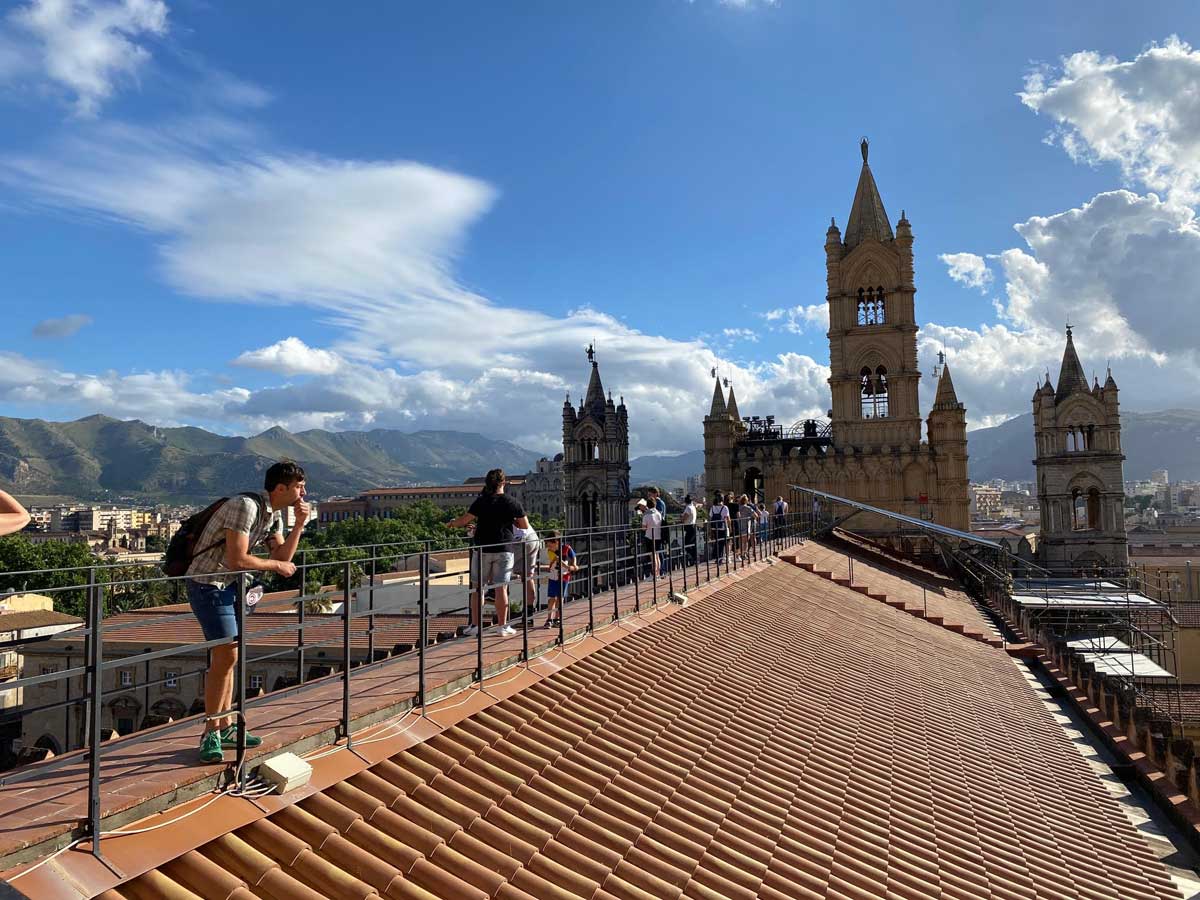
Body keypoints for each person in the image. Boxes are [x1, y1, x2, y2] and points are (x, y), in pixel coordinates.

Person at [185, 461, 309, 763]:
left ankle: (225, 725)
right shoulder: (246, 507)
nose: (303, 491)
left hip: (232, 587)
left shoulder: (273, 516)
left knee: (231, 656)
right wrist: (277, 565)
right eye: (299, 486)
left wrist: (299, 526)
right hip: (208, 583)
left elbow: (283, 557)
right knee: (225, 656)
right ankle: (210, 731)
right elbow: (237, 559)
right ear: (281, 488)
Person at [449, 469, 528, 639]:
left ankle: (476, 626)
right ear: (503, 483)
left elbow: (464, 520)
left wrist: (452, 524)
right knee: (501, 588)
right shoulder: (512, 502)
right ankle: (502, 626)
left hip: (482, 548)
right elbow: (524, 525)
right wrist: (509, 519)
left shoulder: (481, 501)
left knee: (478, 588)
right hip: (504, 549)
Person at [542, 531, 576, 628]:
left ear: (556, 542)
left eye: (550, 545)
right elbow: (558, 560)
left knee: (560, 598)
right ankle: (549, 618)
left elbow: (573, 556)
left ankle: (557, 618)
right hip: (553, 576)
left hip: (564, 576)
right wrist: (570, 567)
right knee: (552, 598)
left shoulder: (566, 548)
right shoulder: (550, 552)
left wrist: (574, 564)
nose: (549, 548)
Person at [512, 521, 540, 623]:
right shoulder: (514, 507)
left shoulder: (499, 507)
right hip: (532, 537)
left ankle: (493, 593)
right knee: (528, 576)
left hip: (520, 539)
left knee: (501, 566)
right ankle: (529, 613)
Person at [637, 499, 662, 580]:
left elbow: (643, 528)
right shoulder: (658, 513)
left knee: (652, 556)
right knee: (657, 555)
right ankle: (658, 573)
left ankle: (654, 575)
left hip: (650, 536)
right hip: (658, 536)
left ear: (647, 505)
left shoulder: (646, 515)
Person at [649, 487, 669, 573]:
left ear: (655, 494)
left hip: (658, 529)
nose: (649, 496)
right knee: (657, 551)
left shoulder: (659, 503)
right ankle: (660, 570)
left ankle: (662, 570)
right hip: (657, 528)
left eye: (650, 494)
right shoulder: (659, 502)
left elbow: (659, 515)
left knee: (659, 551)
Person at [708, 491, 729, 561]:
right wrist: (730, 527)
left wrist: (710, 529)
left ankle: (717, 557)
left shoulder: (712, 508)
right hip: (722, 527)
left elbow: (710, 518)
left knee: (717, 542)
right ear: (723, 499)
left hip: (714, 528)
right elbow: (727, 518)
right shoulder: (725, 507)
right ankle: (720, 558)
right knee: (722, 543)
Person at [681, 494, 697, 566]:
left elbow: (684, 518)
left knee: (687, 544)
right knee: (692, 544)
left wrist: (681, 518)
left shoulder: (688, 508)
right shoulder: (693, 507)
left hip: (689, 527)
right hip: (693, 526)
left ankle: (692, 558)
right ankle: (694, 559)